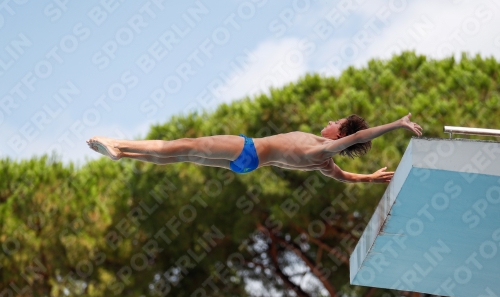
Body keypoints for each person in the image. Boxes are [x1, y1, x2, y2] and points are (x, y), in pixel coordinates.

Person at [86, 113, 422, 183]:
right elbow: (343, 177)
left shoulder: (325, 149)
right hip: (246, 165)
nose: (330, 121)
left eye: (336, 122)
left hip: (248, 150)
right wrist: (367, 178)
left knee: (182, 145)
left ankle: (118, 143)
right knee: (183, 155)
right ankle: (123, 153)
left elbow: (358, 138)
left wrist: (397, 124)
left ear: (339, 135)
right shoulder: (322, 161)